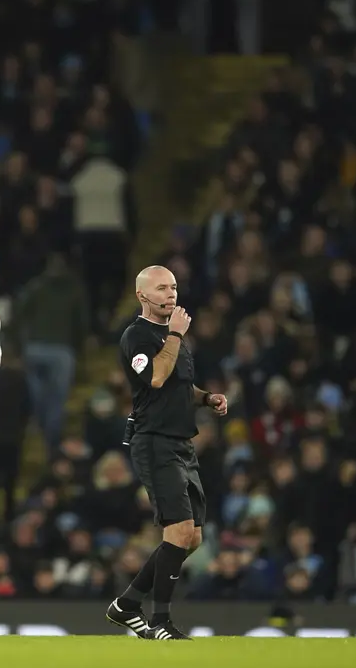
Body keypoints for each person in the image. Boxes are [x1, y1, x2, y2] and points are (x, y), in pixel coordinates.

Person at [106, 265, 227, 641]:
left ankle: (126, 605)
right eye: (162, 288)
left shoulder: (174, 337)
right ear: (143, 295)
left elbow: (178, 385)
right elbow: (156, 377)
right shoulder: (137, 335)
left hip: (181, 442)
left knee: (191, 538)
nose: (171, 294)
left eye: (173, 287)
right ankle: (160, 621)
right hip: (154, 440)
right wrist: (175, 333)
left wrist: (206, 398)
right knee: (177, 529)